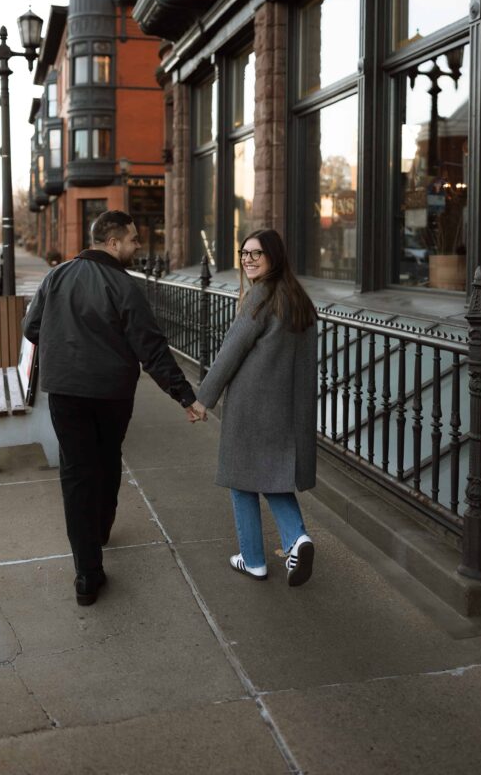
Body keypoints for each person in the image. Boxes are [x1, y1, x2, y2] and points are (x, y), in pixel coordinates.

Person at [23, 210, 201, 606]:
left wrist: (65, 341)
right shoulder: (124, 285)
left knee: (76, 473)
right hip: (111, 393)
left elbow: (31, 327)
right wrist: (184, 396)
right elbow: (151, 348)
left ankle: (87, 574)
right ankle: (101, 528)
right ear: (113, 242)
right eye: (133, 239)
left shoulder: (57, 276)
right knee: (106, 459)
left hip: (65, 391)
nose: (138, 246)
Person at [192, 229, 319, 586]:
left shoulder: (260, 297)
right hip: (287, 407)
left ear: (273, 257)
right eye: (244, 253)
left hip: (252, 406)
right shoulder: (298, 298)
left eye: (256, 254)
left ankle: (253, 560)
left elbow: (230, 352)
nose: (247, 259)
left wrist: (203, 399)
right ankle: (297, 539)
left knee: (241, 479)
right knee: (274, 478)